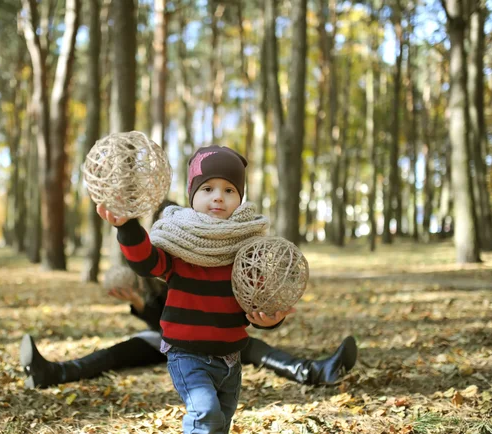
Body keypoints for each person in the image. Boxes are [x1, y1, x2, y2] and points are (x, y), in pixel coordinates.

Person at [21, 203, 357, 391]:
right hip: (171, 341)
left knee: (252, 347)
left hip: (215, 335)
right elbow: (170, 319)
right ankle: (53, 373)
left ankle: (315, 371)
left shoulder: (215, 256)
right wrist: (139, 304)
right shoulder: (158, 255)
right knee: (119, 351)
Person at [96, 145, 310, 434]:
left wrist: (272, 319)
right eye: (207, 188)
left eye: (229, 190)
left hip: (231, 359)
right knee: (206, 416)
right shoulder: (179, 246)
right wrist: (128, 227)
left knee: (220, 423)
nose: (218, 196)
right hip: (187, 355)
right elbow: (146, 261)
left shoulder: (246, 252)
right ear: (192, 196)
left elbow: (259, 300)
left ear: (240, 198)